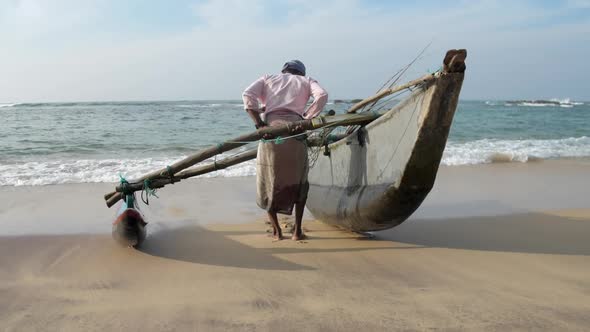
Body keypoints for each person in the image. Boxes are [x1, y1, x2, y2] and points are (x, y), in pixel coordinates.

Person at [242, 60, 328, 241]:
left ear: (284, 71)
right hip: (296, 133)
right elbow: (322, 96)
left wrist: (259, 124)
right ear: (301, 73)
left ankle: (277, 232)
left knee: (269, 180)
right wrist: (306, 119)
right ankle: (297, 232)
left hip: (271, 135)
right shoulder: (306, 81)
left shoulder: (268, 79)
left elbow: (248, 94)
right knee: (299, 181)